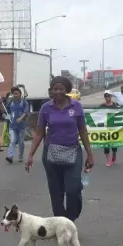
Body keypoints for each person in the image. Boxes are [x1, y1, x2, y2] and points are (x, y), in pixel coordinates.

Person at [26, 76, 95, 222]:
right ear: (51, 90)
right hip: (51, 154)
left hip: (73, 152)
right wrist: (30, 154)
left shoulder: (76, 107)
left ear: (67, 90)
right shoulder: (46, 108)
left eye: (61, 89)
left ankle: (70, 218)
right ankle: (61, 223)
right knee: (56, 192)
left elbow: (82, 130)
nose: (57, 92)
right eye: (55, 89)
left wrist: (89, 154)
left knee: (73, 188)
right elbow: (39, 133)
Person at [5, 87, 29, 164]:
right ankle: (10, 157)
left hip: (21, 126)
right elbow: (6, 111)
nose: (15, 95)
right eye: (13, 94)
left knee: (21, 142)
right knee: (12, 141)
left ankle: (20, 156)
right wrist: (1, 104)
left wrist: (21, 118)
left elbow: (26, 112)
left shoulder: (24, 102)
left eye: (16, 93)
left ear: (20, 94)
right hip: (12, 126)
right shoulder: (10, 102)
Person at [99, 91, 120, 166]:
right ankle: (108, 160)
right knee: (106, 145)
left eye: (109, 96)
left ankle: (114, 155)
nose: (108, 98)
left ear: (111, 97)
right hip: (105, 129)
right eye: (106, 96)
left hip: (114, 128)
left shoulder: (115, 105)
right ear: (104, 97)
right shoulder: (101, 106)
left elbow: (121, 112)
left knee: (114, 146)